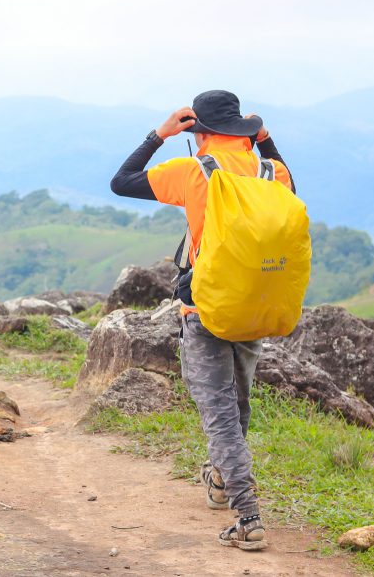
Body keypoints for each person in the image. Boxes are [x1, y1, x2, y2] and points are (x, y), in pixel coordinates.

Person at [110, 90, 295, 551]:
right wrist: (265, 141)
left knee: (220, 415)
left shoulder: (193, 172)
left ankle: (248, 517)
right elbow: (292, 195)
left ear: (200, 132)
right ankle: (219, 478)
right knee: (239, 403)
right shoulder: (273, 171)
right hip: (258, 305)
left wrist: (160, 134)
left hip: (207, 308)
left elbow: (122, 181)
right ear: (245, 132)